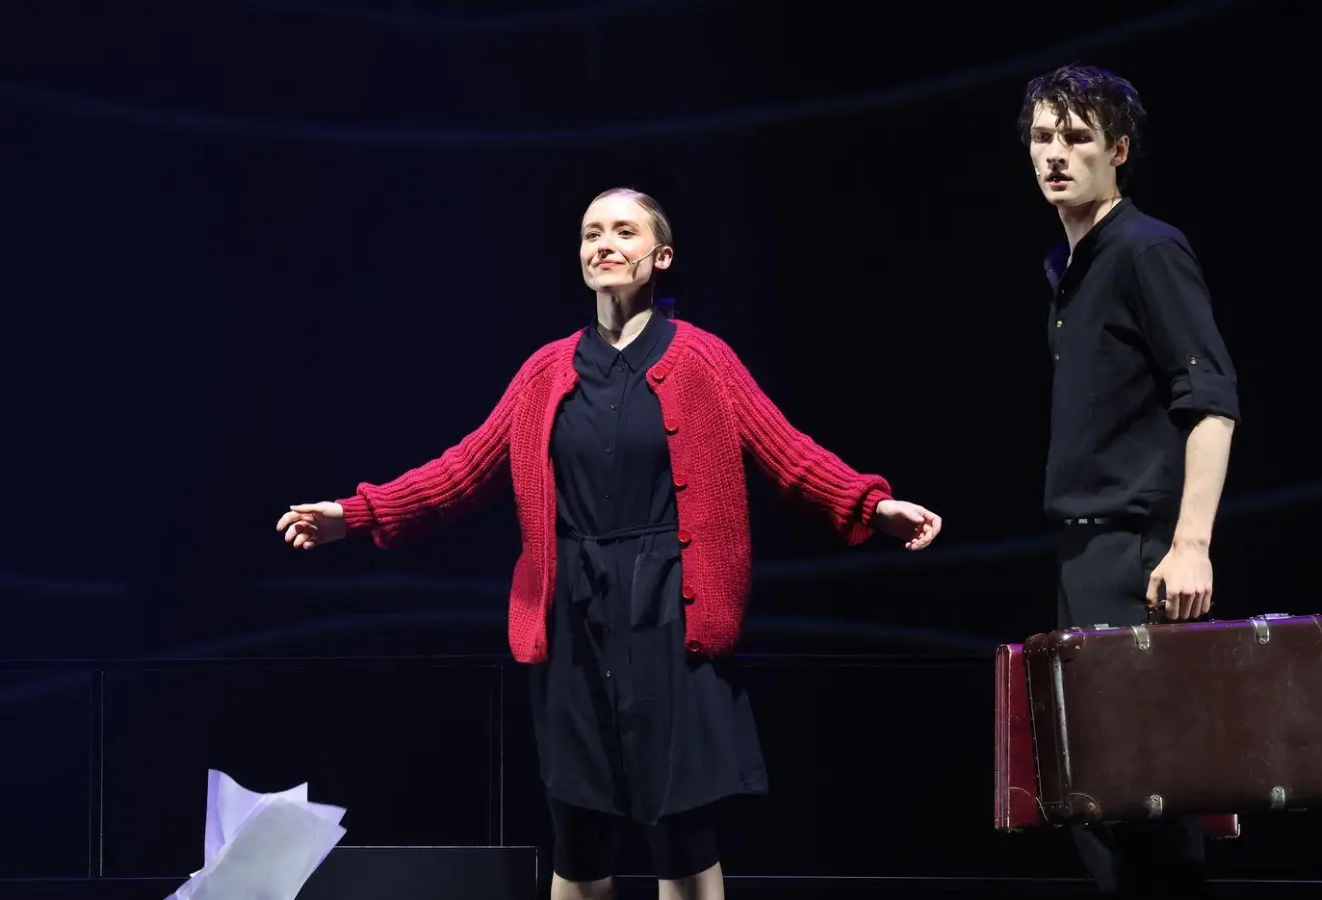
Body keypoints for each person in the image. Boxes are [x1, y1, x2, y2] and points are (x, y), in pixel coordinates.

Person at [276, 186, 943, 900]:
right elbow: (463, 469)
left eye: (624, 231)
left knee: (683, 837)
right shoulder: (544, 372)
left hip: (673, 612)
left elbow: (787, 453)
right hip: (575, 616)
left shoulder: (703, 360)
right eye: (592, 232)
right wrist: (358, 512)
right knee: (580, 833)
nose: (604, 244)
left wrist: (870, 504)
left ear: (660, 256)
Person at [1021, 65, 1240, 896]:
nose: (1055, 154)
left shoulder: (1148, 249)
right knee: (1097, 802)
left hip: (1138, 552)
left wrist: (1189, 545)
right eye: (1043, 137)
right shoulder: (1070, 265)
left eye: (1076, 138)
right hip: (1087, 550)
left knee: (1146, 800)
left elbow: (1211, 399)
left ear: (1118, 151)